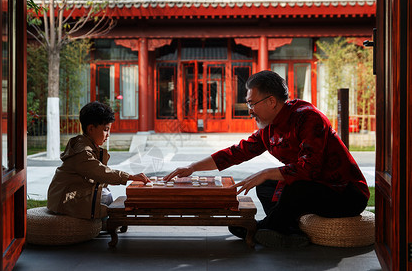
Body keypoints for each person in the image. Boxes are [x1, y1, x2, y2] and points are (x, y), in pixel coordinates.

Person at [164, 70, 369, 248]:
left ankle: (264, 228)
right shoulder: (268, 128)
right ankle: (286, 232)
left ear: (271, 101)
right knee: (266, 186)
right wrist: (192, 168)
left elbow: (310, 169)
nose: (250, 110)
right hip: (314, 188)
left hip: (345, 193)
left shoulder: (307, 117)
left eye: (252, 103)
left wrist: (266, 172)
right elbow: (237, 152)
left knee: (290, 186)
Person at [47, 101, 149, 220]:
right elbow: (101, 172)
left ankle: (106, 221)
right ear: (91, 128)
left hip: (69, 196)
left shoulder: (88, 145)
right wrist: (130, 177)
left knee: (105, 193)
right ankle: (107, 222)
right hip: (64, 201)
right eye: (106, 130)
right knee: (105, 196)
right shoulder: (82, 151)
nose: (108, 135)